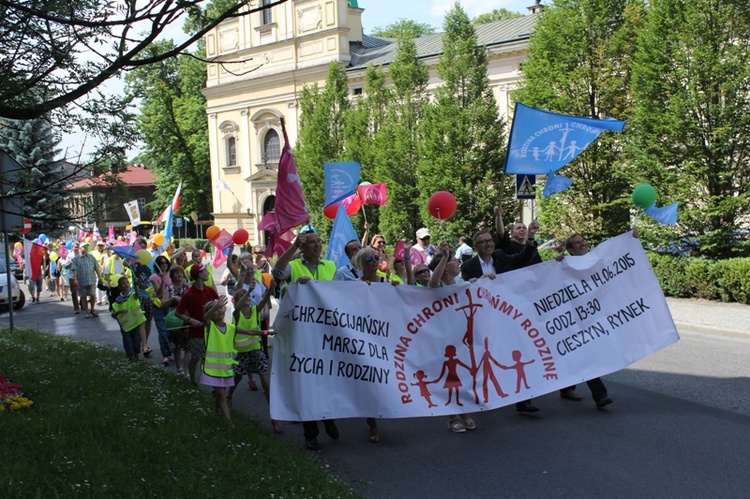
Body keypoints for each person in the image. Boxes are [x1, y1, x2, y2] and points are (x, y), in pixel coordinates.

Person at [272, 227, 339, 451]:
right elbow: (277, 273)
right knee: (307, 384)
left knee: (327, 380)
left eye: (319, 241)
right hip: (302, 336)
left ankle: (328, 417)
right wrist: (293, 247)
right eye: (311, 242)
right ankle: (311, 433)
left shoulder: (330, 266)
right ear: (303, 247)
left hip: (327, 335)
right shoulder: (295, 266)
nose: (317, 245)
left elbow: (342, 293)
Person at [460, 229, 540, 413]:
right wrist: (479, 281)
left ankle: (523, 401)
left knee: (517, 352)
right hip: (485, 320)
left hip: (507, 316)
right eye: (483, 242)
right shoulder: (468, 267)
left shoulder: (501, 257)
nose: (488, 244)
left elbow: (524, 257)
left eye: (490, 241)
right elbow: (465, 292)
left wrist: (531, 238)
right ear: (475, 247)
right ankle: (480, 396)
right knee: (485, 359)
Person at [556, 233, 614, 410]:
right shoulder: (564, 266)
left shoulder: (594, 260)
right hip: (574, 319)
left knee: (579, 354)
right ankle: (600, 395)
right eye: (577, 243)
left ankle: (566, 388)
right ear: (570, 250)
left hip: (593, 316)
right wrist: (556, 262)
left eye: (583, 241)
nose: (582, 244)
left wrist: (632, 239)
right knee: (585, 354)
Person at [428, 243, 477, 433]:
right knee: (450, 377)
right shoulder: (439, 285)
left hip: (462, 335)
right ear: (447, 266)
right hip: (444, 337)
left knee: (466, 375)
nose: (458, 263)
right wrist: (445, 256)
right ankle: (452, 415)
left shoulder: (460, 283)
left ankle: (465, 411)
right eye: (455, 261)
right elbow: (432, 283)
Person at [228, 264, 281, 433]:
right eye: (242, 296)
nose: (247, 298)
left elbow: (264, 301)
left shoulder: (254, 311)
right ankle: (228, 397)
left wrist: (270, 290)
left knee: (266, 383)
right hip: (242, 354)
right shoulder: (237, 313)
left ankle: (274, 418)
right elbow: (238, 306)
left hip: (256, 352)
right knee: (236, 380)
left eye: (248, 296)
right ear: (237, 300)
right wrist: (247, 291)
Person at [174, 263, 220, 383]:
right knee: (195, 357)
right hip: (195, 333)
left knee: (212, 357)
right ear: (199, 274)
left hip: (211, 330)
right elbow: (177, 313)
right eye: (205, 271)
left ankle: (213, 382)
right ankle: (192, 379)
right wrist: (191, 320)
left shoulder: (210, 291)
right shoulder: (189, 294)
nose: (208, 273)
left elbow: (219, 306)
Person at [110, 270, 145, 362]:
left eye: (127, 282)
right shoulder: (118, 300)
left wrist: (136, 283)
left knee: (137, 340)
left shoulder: (133, 296)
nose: (126, 284)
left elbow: (137, 293)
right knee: (127, 341)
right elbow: (113, 314)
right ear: (119, 287)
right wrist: (119, 311)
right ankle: (130, 356)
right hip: (125, 325)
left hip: (135, 323)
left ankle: (136, 354)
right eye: (123, 283)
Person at [164, 265, 190, 376]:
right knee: (176, 346)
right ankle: (179, 367)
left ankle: (187, 370)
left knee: (188, 346)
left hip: (186, 318)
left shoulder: (188, 288)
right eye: (176, 272)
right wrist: (172, 298)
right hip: (174, 319)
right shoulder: (168, 289)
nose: (179, 274)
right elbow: (162, 304)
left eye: (181, 272)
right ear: (172, 276)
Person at [151, 255, 174, 366]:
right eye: (161, 263)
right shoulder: (154, 277)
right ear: (158, 265)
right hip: (159, 306)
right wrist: (162, 281)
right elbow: (158, 294)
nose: (164, 265)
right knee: (162, 331)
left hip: (170, 306)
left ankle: (171, 351)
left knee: (170, 330)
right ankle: (165, 354)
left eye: (165, 263)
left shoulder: (171, 274)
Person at [72, 242, 102, 319]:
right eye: (83, 247)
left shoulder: (91, 257)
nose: (85, 248)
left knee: (93, 295)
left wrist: (100, 278)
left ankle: (92, 309)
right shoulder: (76, 259)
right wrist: (75, 279)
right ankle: (86, 311)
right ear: (80, 248)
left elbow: (96, 268)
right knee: (83, 296)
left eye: (86, 247)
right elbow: (74, 269)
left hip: (91, 279)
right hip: (82, 281)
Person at [92, 241, 108, 305]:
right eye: (99, 245)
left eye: (101, 245)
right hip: (96, 271)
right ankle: (99, 300)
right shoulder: (93, 253)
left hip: (105, 271)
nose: (100, 247)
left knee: (104, 284)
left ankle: (104, 299)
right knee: (97, 285)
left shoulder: (105, 252)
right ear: (97, 246)